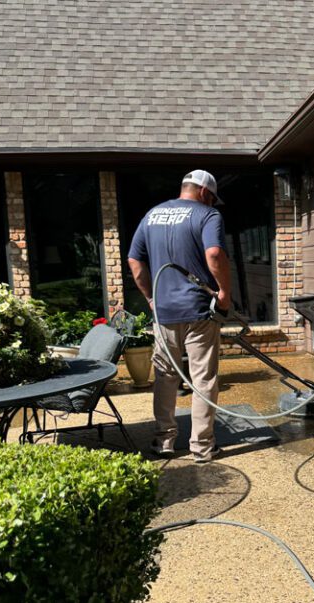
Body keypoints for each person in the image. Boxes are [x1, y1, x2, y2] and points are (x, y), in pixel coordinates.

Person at [127, 169, 231, 463]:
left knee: (165, 377)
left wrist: (150, 297)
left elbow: (134, 261)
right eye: (211, 199)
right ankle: (201, 447)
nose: (211, 204)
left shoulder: (151, 215)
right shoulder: (208, 216)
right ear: (205, 193)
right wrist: (224, 291)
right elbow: (214, 254)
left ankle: (164, 442)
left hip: (164, 313)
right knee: (203, 380)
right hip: (199, 310)